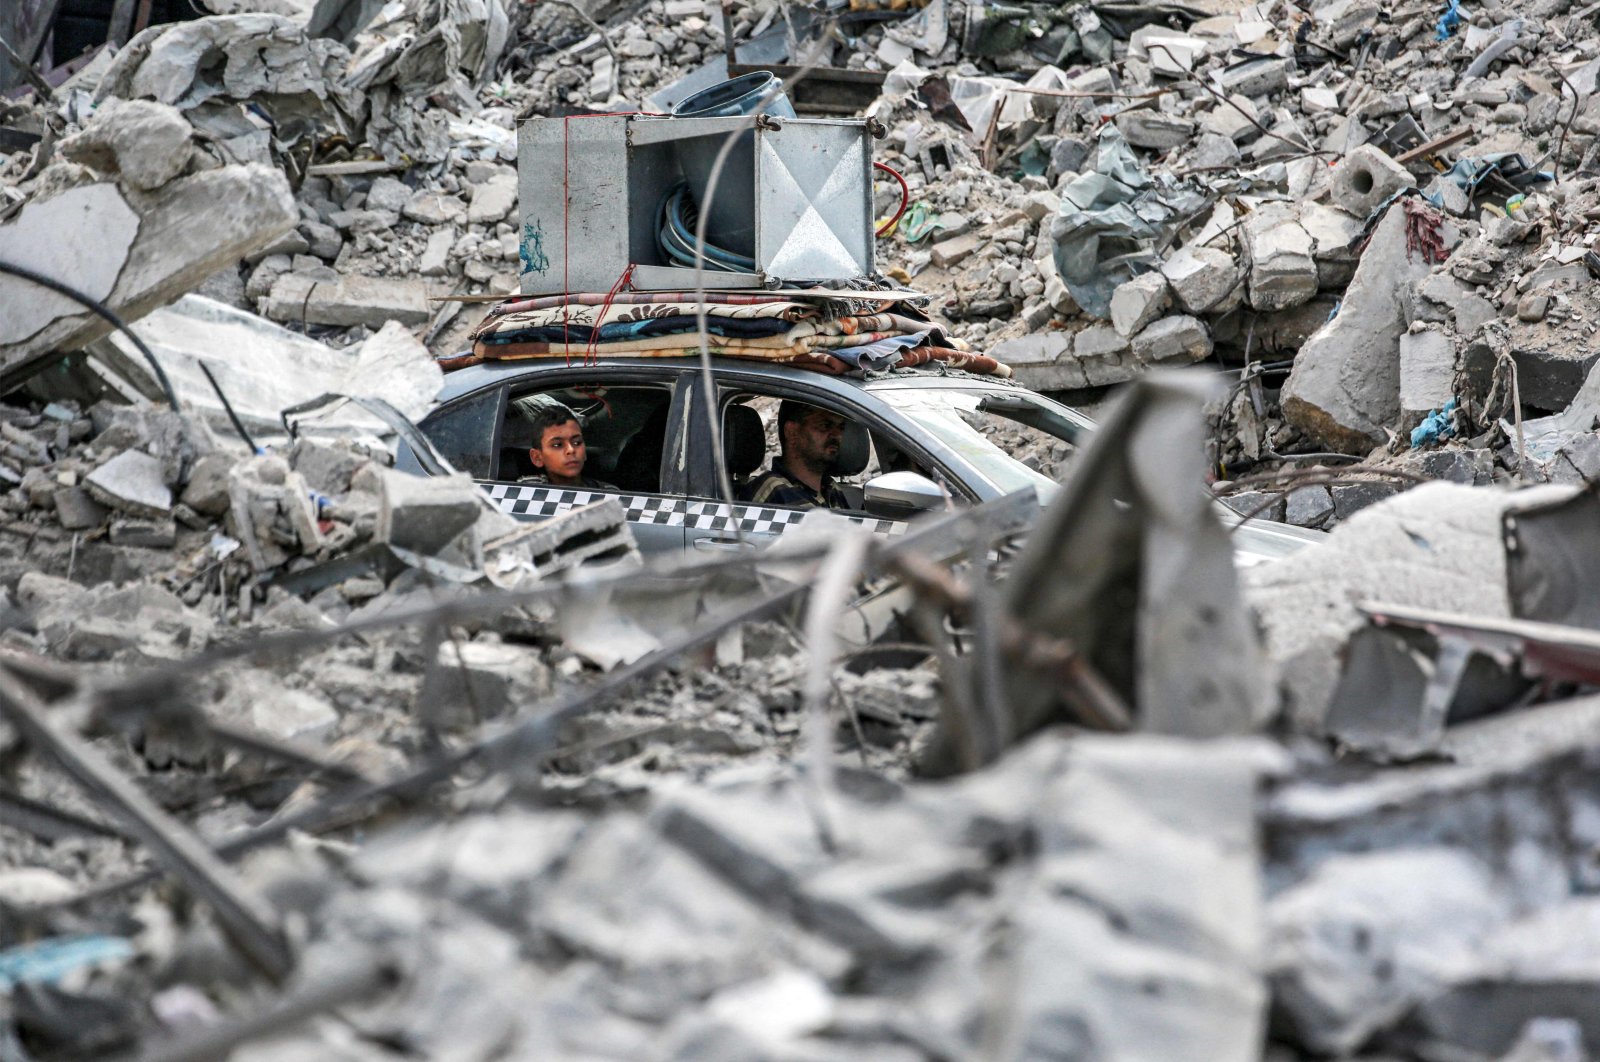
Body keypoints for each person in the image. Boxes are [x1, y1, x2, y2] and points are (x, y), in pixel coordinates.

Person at [739, 400, 853, 509]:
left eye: (841, 428)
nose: (838, 435)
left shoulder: (831, 488)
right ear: (792, 432)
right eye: (825, 426)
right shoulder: (772, 489)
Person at [520, 402, 615, 489]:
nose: (571, 450)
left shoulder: (608, 493)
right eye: (557, 445)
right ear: (537, 457)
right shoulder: (527, 490)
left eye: (577, 443)